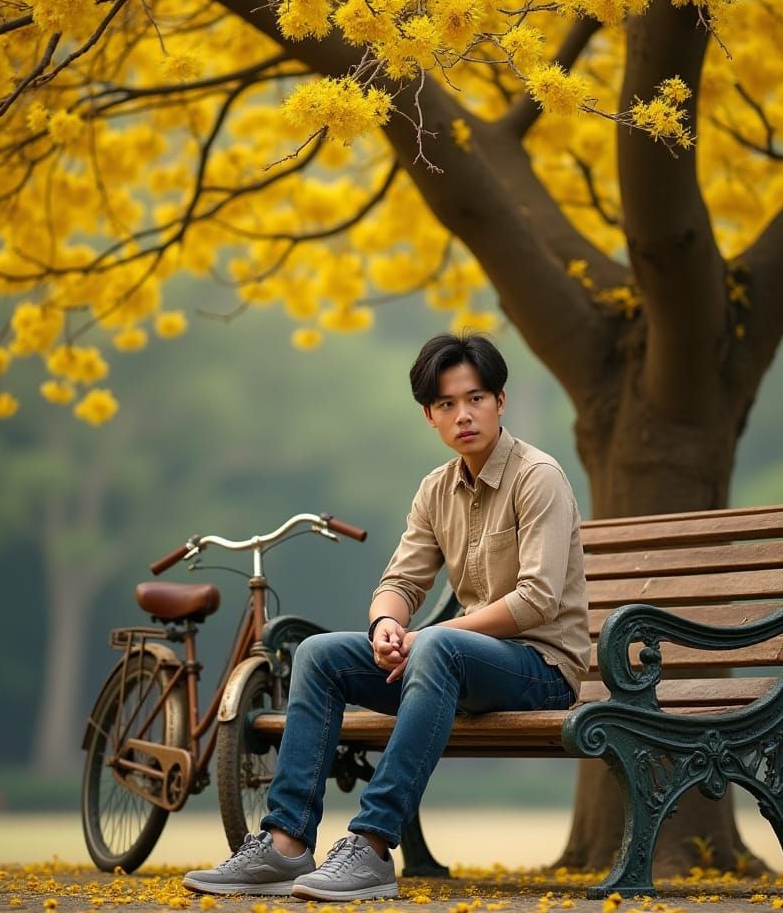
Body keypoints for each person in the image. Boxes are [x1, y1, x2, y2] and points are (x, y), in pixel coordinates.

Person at [183, 332, 590, 900]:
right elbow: (399, 583)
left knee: (436, 647)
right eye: (447, 405)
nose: (463, 415)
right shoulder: (436, 489)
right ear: (430, 415)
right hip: (456, 666)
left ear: (500, 400)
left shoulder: (536, 476)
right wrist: (387, 628)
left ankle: (370, 848)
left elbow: (537, 600)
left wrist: (427, 637)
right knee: (317, 654)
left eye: (475, 398)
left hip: (540, 671)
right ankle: (285, 846)